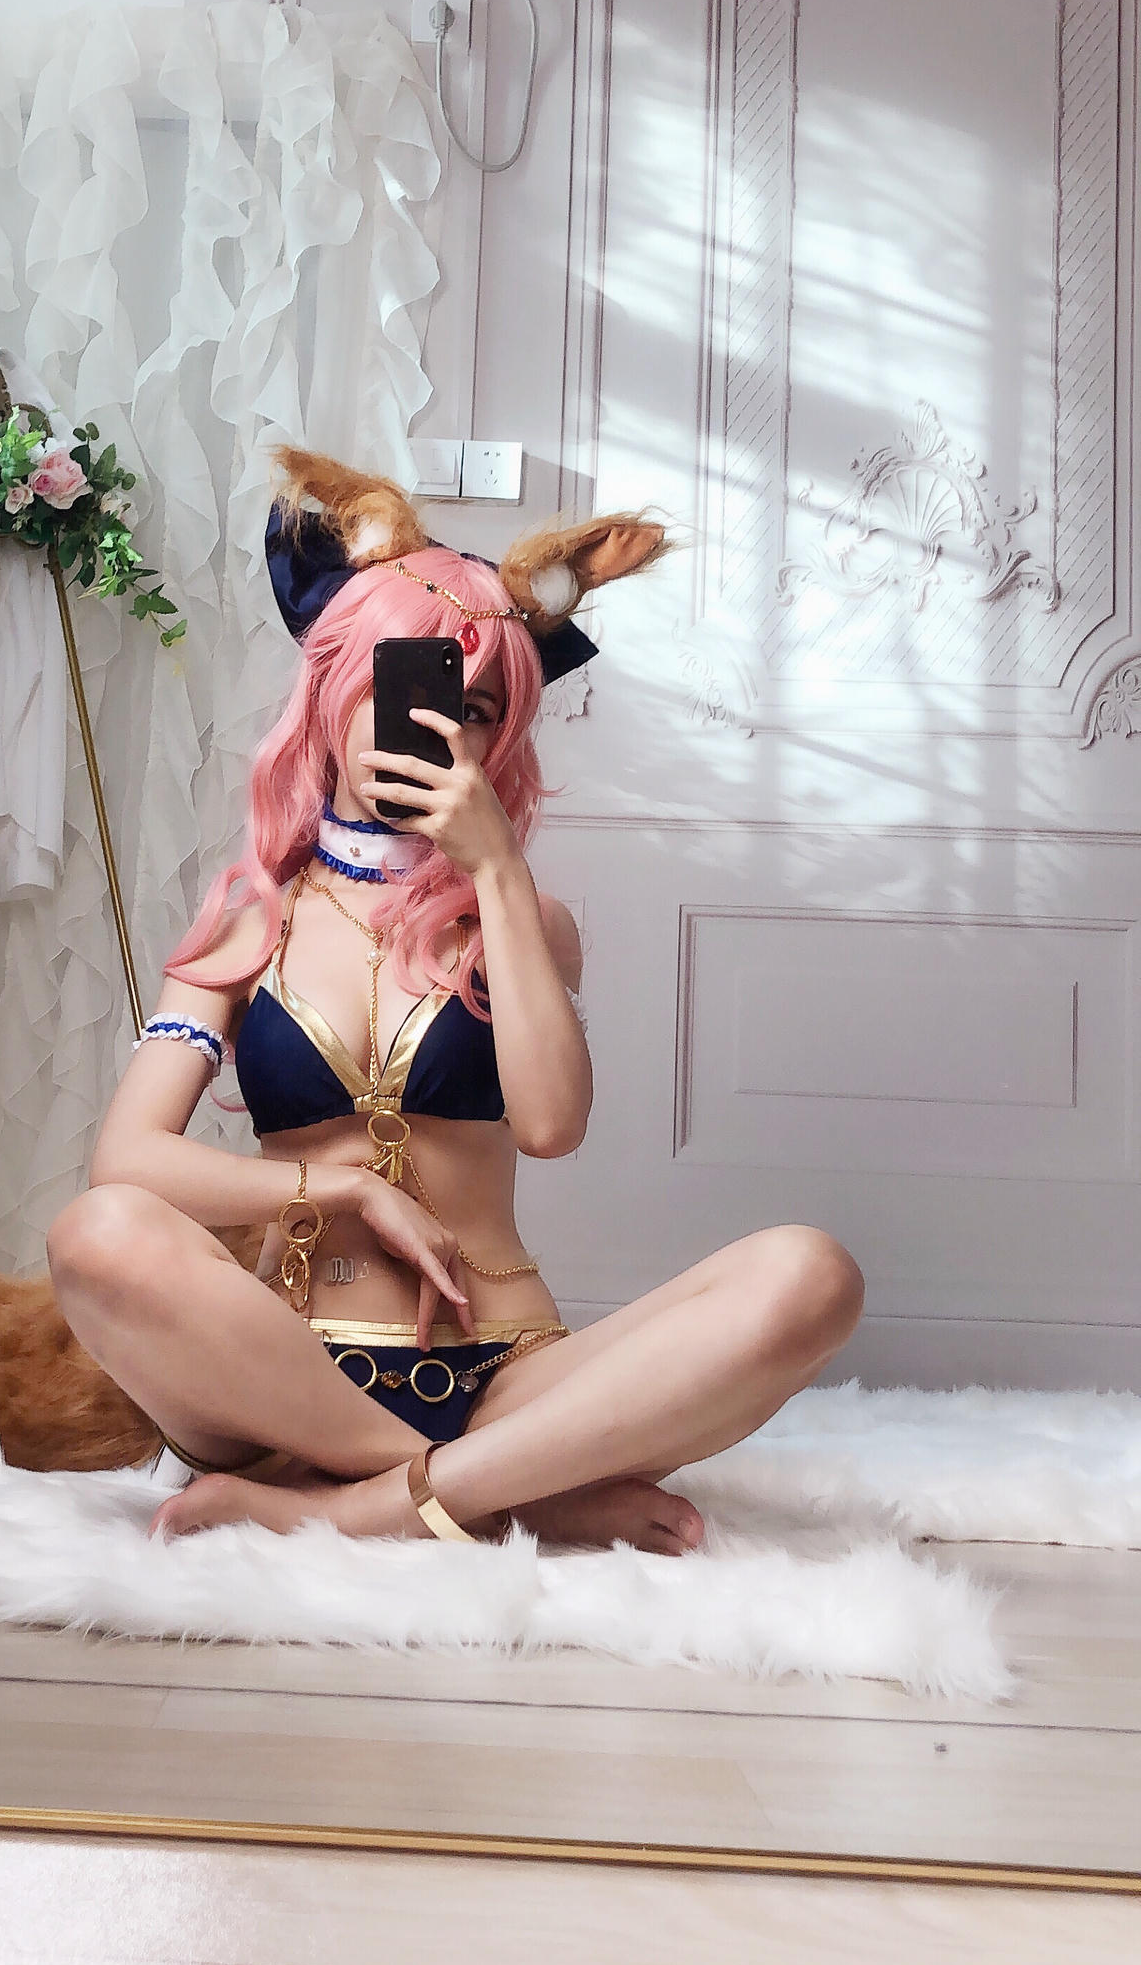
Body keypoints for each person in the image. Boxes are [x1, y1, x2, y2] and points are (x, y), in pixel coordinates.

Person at [47, 449, 863, 1549]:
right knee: (97, 1235)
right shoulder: (251, 922)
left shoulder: (523, 919)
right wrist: (337, 1187)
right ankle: (516, 1490)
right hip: (279, 1378)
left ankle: (365, 1507)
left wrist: (496, 874)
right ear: (334, 685)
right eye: (404, 685)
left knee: (811, 1275)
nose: (436, 728)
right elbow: (129, 1162)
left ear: (501, 734)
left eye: (473, 708)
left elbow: (552, 1125)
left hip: (510, 1378)